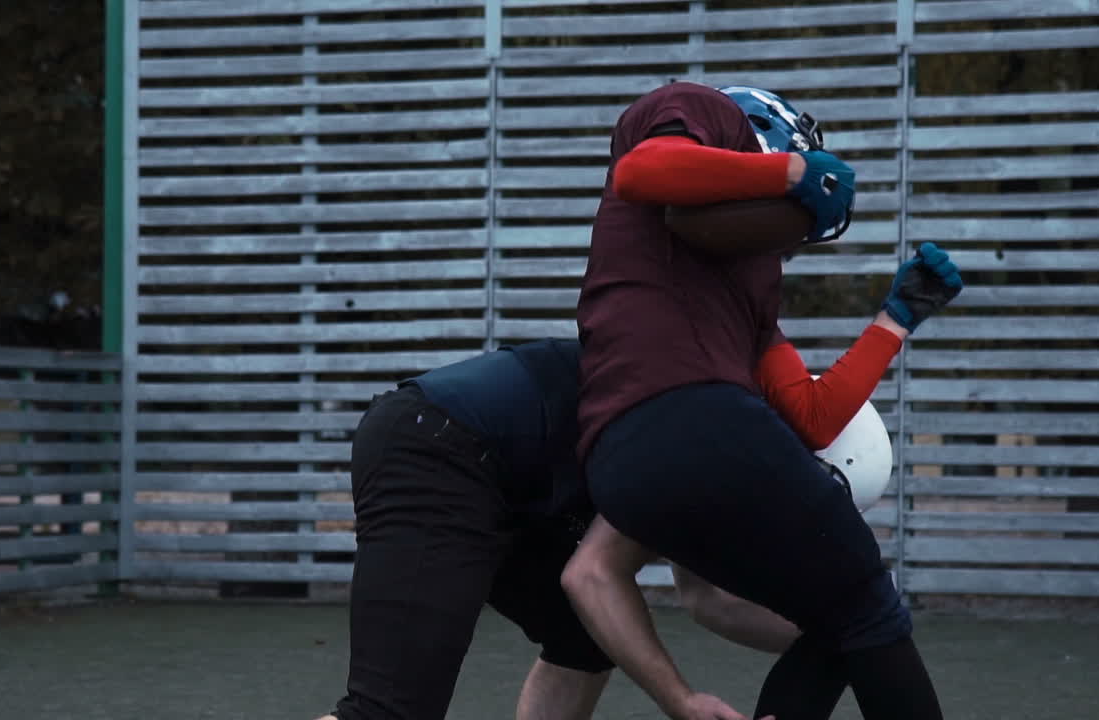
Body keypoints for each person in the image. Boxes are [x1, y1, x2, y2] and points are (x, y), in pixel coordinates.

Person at [562, 81, 962, 720]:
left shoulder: (740, 297)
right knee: (865, 599)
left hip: (621, 466)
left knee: (836, 619)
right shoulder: (704, 108)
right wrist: (795, 169)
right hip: (694, 421)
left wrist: (895, 319)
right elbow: (643, 170)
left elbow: (812, 415)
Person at [315, 336, 804, 720]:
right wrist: (680, 699)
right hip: (436, 445)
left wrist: (845, 633)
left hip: (502, 478)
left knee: (584, 638)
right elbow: (590, 576)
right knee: (388, 712)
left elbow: (706, 595)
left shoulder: (725, 429)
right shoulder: (704, 432)